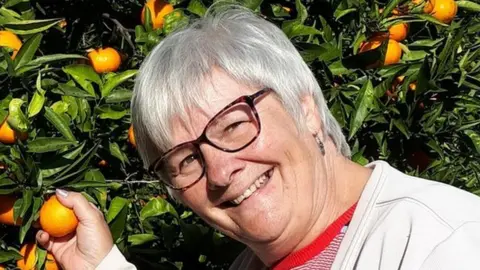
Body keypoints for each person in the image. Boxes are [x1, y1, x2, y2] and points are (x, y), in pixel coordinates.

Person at [36, 5, 480, 270]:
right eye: (186, 160)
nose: (221, 172)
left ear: (304, 108)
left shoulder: (442, 242)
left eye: (233, 125)